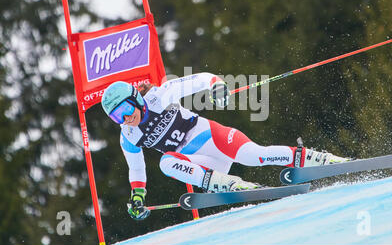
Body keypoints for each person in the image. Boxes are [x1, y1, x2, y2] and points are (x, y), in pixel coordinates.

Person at [101, 72, 350, 220]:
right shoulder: (129, 136)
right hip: (203, 164)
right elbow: (136, 170)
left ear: (135, 99)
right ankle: (227, 183)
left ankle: (320, 159)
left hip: (212, 138)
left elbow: (201, 79)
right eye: (116, 117)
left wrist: (217, 86)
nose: (124, 118)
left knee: (255, 155)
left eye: (124, 109)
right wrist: (137, 196)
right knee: (166, 162)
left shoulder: (159, 96)